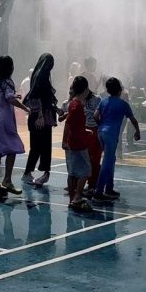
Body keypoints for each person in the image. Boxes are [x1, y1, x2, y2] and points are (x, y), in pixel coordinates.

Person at [91, 77, 140, 202]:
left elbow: (95, 116)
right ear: (120, 90)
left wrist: (101, 125)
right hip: (111, 135)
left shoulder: (104, 101)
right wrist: (137, 131)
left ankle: (109, 188)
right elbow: (133, 120)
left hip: (101, 133)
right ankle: (98, 191)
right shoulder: (123, 104)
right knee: (107, 162)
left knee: (111, 159)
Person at [0, 55, 30, 195]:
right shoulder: (8, 82)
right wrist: (25, 107)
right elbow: (9, 98)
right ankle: (7, 179)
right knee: (13, 147)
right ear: (10, 68)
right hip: (5, 120)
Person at [22, 53, 58, 186]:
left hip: (40, 116)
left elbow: (45, 99)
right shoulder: (41, 78)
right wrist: (40, 115)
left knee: (39, 146)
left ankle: (39, 172)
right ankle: (34, 172)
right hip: (40, 117)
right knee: (40, 146)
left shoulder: (37, 76)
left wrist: (55, 109)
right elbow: (37, 97)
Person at [64, 75, 93, 212]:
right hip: (79, 144)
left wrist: (84, 130)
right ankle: (77, 197)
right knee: (86, 171)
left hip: (73, 142)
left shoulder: (72, 104)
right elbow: (68, 124)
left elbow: (74, 124)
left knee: (72, 172)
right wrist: (64, 140)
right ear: (85, 90)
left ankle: (72, 199)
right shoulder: (78, 106)